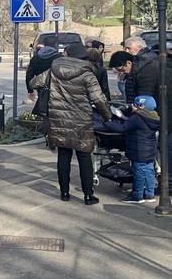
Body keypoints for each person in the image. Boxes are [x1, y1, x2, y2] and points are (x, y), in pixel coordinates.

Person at [30, 43, 113, 204]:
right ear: (84, 57)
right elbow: (98, 98)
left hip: (58, 118)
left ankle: (64, 193)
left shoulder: (53, 70)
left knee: (63, 155)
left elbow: (34, 83)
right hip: (82, 120)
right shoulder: (87, 74)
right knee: (84, 156)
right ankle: (88, 195)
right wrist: (107, 116)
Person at [99, 95, 159, 203]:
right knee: (149, 171)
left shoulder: (137, 117)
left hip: (138, 150)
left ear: (141, 106)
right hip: (150, 150)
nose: (132, 105)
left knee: (139, 172)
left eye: (135, 104)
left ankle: (137, 195)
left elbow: (123, 128)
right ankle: (150, 193)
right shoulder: (154, 117)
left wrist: (107, 122)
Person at [123, 36, 159, 102]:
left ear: (139, 47)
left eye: (129, 48)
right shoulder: (146, 58)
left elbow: (147, 87)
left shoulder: (143, 61)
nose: (126, 51)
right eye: (125, 48)